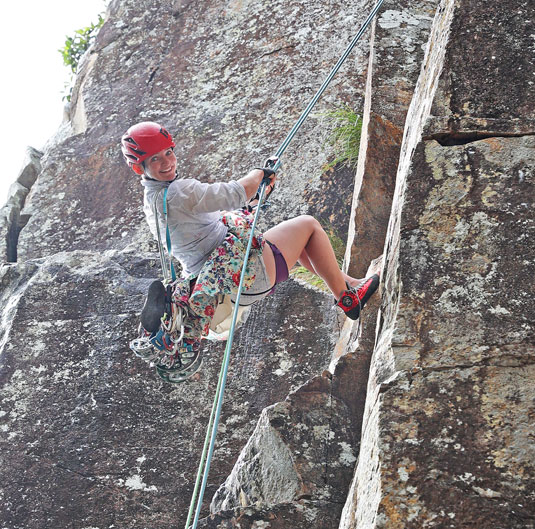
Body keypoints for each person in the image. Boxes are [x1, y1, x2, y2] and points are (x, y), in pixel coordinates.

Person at [121, 121, 379, 376]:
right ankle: (347, 299)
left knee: (297, 243)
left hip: (223, 286)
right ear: (138, 167)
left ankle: (350, 285)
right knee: (308, 226)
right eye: (155, 159)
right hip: (244, 271)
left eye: (169, 152)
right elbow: (237, 192)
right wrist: (259, 174)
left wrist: (255, 199)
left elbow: (207, 222)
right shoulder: (178, 191)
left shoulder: (153, 201)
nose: (167, 162)